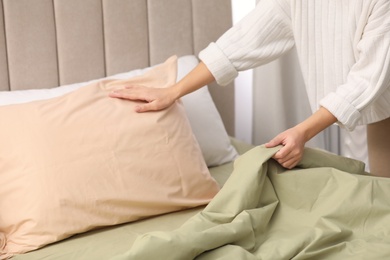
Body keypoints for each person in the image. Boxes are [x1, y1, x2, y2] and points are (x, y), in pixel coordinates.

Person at [109, 0, 390, 177]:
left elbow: (364, 81)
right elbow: (245, 40)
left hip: (381, 110)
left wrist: (302, 131)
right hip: (367, 114)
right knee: (371, 200)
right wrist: (174, 91)